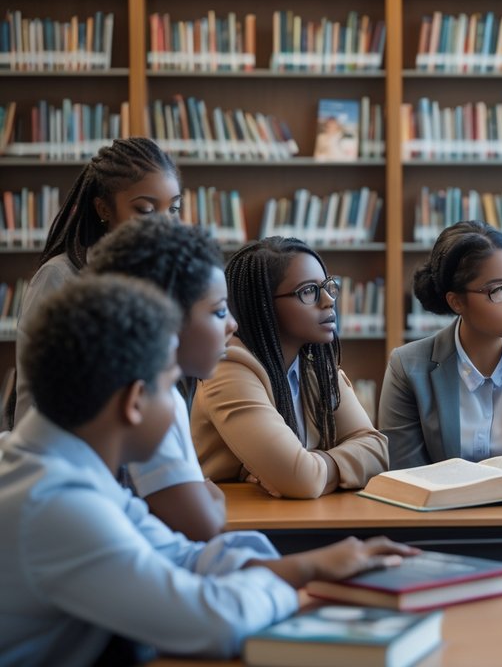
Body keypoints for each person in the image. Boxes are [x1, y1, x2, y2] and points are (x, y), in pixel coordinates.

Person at [0, 274, 415, 666]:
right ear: (134, 401)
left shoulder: (62, 467)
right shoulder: (55, 503)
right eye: (173, 385)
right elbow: (216, 622)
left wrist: (309, 566)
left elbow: (177, 556)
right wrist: (291, 584)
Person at [191, 237, 388, 498]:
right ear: (263, 305)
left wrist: (312, 465)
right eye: (308, 291)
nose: (328, 300)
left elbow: (378, 450)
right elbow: (301, 480)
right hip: (236, 523)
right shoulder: (227, 369)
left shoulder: (314, 364)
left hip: (300, 517)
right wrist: (308, 471)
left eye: (328, 287)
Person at [11, 137, 182, 426]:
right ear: (104, 209)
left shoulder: (163, 277)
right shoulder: (60, 277)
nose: (165, 226)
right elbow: (39, 399)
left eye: (174, 210)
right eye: (147, 211)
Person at [379, 220, 502, 469]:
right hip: (438, 508)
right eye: (500, 290)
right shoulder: (407, 368)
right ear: (457, 302)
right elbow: (408, 475)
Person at [88, 215, 236, 540]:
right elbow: (203, 527)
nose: (232, 325)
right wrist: (211, 495)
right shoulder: (149, 403)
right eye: (219, 311)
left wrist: (208, 493)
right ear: (166, 318)